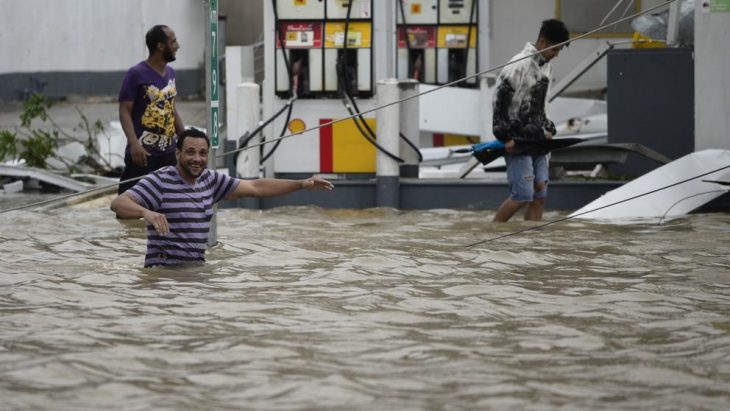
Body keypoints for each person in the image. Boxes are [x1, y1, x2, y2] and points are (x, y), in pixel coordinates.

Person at [111, 128, 334, 267]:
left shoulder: (210, 180)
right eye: (190, 152)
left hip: (195, 270)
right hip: (164, 276)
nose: (196, 159)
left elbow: (256, 187)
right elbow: (118, 204)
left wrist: (301, 184)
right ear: (177, 154)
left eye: (202, 153)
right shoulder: (160, 181)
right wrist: (145, 212)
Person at [492, 19, 569, 222]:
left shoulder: (547, 68)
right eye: (556, 49)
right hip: (517, 140)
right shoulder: (519, 64)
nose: (557, 54)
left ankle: (531, 242)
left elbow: (544, 104)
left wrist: (549, 127)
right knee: (523, 194)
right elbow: (499, 100)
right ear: (543, 42)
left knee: (540, 193)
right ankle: (492, 232)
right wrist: (504, 136)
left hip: (539, 140)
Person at [117, 24, 185, 194]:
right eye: (173, 41)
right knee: (129, 207)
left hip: (168, 153)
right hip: (143, 154)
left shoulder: (171, 73)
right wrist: (133, 144)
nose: (178, 46)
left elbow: (172, 109)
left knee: (167, 205)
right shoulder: (136, 74)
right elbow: (124, 110)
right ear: (160, 46)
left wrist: (184, 139)